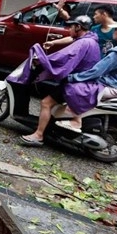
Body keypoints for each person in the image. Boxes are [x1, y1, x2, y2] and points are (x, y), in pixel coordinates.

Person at [8, 15, 100, 146]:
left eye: (71, 26)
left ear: (78, 27)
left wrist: (42, 59)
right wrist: (53, 43)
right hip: (84, 82)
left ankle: (38, 135)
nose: (69, 29)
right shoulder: (92, 41)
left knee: (46, 103)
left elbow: (62, 57)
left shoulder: (82, 43)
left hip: (75, 84)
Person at [56, 18, 117, 132]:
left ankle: (76, 121)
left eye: (116, 29)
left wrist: (72, 77)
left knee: (74, 88)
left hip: (114, 86)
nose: (114, 31)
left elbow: (97, 71)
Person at [44, 4, 116, 54]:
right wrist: (53, 42)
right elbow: (76, 38)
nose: (93, 17)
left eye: (96, 14)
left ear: (104, 14)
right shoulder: (94, 29)